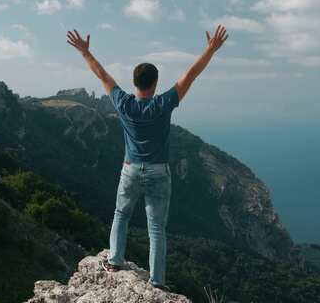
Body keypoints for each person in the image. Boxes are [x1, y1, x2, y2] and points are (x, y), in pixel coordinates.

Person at [66, 25, 229, 290]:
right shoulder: (163, 104)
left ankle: (115, 260)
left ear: (134, 82)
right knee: (156, 229)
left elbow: (101, 75)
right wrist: (210, 49)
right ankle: (157, 281)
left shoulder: (123, 103)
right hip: (158, 172)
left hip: (130, 170)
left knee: (121, 214)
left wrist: (85, 52)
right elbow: (191, 75)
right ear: (155, 84)